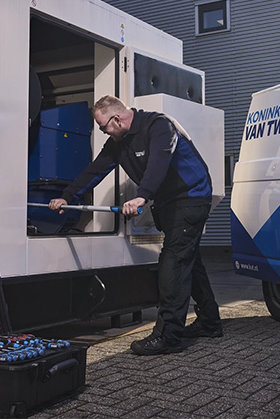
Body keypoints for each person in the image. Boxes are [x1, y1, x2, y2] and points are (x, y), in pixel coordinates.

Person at [49, 95, 222, 355]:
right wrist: (67, 196)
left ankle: (169, 336)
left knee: (173, 264)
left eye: (103, 126)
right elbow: (95, 171)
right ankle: (209, 322)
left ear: (116, 119)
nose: (102, 131)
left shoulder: (159, 126)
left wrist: (143, 195)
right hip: (168, 203)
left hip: (191, 198)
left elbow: (159, 162)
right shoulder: (118, 142)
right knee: (189, 262)